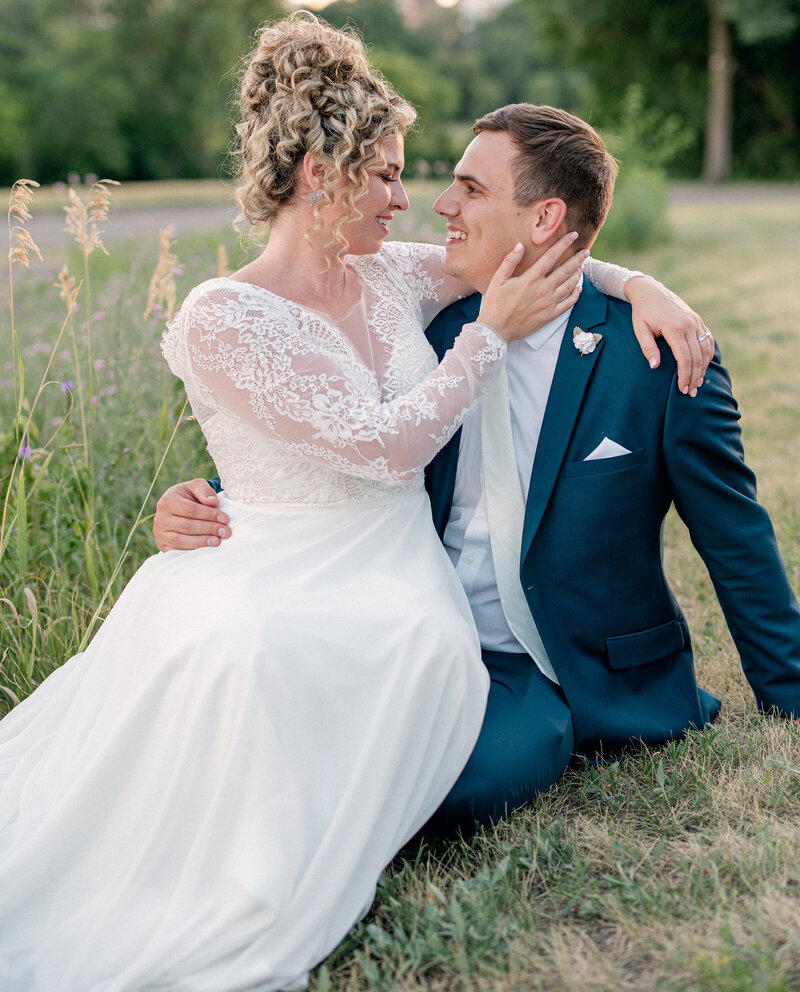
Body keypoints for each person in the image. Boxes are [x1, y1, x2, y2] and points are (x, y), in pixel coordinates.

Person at [0, 18, 687, 992]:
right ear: (320, 174)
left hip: (392, 576)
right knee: (244, 652)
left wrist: (638, 281)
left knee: (393, 655)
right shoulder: (221, 315)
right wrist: (482, 340)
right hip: (271, 558)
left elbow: (516, 258)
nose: (411, 201)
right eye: (386, 176)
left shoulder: (386, 276)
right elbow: (383, 447)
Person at [158, 100, 800, 843]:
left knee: (455, 788)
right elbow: (342, 450)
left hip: (550, 664)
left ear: (543, 218)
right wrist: (212, 502)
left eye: (471, 188)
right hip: (398, 627)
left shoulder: (654, 357)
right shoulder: (426, 326)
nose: (439, 204)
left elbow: (735, 535)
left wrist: (789, 695)